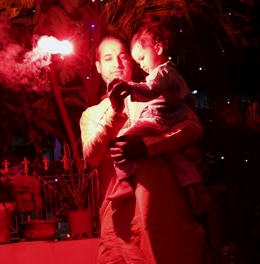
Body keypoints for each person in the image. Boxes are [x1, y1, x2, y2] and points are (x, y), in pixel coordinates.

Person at [80, 34, 207, 263]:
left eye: (123, 57)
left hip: (162, 211)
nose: (117, 64)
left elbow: (193, 128)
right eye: (108, 58)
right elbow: (91, 156)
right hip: (118, 223)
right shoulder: (92, 114)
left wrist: (147, 147)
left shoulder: (155, 95)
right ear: (98, 67)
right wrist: (115, 112)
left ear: (132, 61)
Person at [104, 20, 210, 217]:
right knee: (176, 157)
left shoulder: (162, 73)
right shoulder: (171, 73)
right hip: (166, 121)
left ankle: (125, 181)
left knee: (119, 142)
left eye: (142, 58)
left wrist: (129, 87)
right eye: (138, 62)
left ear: (158, 47)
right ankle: (198, 191)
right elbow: (184, 95)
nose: (142, 65)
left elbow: (150, 90)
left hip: (158, 120)